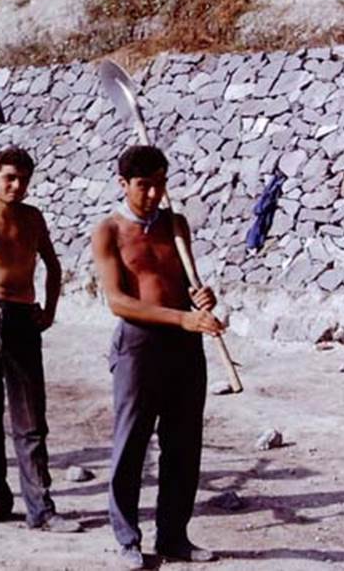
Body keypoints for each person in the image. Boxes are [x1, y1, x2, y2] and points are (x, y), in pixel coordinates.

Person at [91, 145, 224, 568]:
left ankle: (173, 536)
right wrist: (182, 319)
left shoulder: (177, 225)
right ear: (123, 184)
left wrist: (203, 297)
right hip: (139, 346)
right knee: (131, 444)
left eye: (160, 184)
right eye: (144, 185)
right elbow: (117, 301)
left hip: (186, 347)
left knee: (183, 445)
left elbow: (188, 283)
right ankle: (128, 538)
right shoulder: (108, 231)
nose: (152, 194)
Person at [0, 146, 81, 533]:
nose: (17, 185)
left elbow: (53, 267)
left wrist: (50, 309)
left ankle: (40, 508)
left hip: (23, 317)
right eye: (9, 178)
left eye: (23, 179)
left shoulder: (33, 218)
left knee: (30, 418)